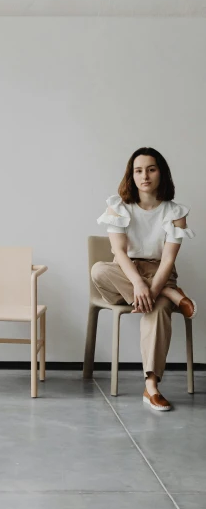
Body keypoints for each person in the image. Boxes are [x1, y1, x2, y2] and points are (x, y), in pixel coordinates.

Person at [92, 147, 196, 411]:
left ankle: (151, 387)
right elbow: (118, 252)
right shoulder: (118, 206)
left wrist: (151, 287)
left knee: (158, 310)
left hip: (159, 272)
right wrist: (138, 284)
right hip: (125, 275)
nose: (145, 176)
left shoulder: (175, 212)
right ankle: (171, 293)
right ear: (131, 174)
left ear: (161, 173)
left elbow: (169, 260)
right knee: (99, 270)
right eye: (138, 170)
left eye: (151, 169)